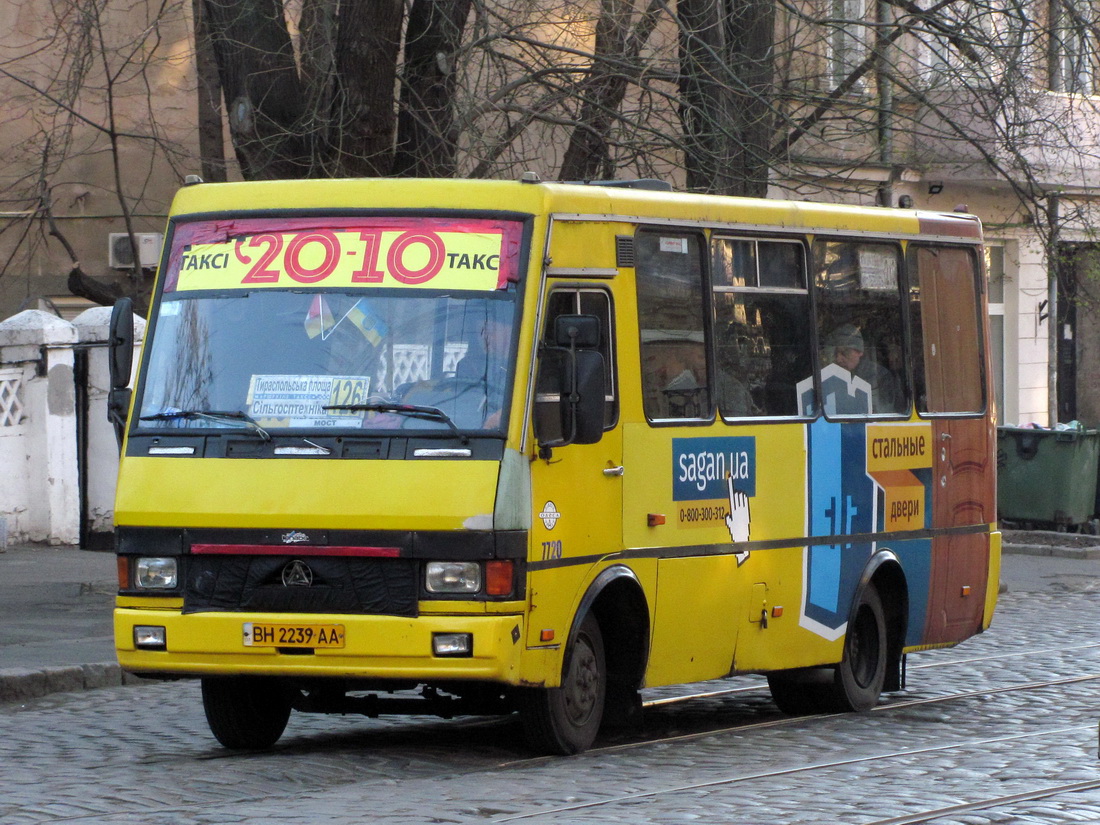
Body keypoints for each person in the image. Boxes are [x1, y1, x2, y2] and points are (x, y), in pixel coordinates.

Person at [826, 324, 903, 413]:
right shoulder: (831, 376)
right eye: (836, 353)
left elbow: (882, 413)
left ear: (860, 352)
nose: (838, 359)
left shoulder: (879, 376)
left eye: (845, 352)